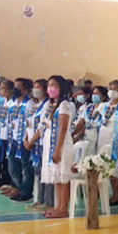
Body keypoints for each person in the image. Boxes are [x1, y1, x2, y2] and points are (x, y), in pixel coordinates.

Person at [40, 75, 75, 218]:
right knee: (56, 177)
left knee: (62, 176)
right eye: (49, 85)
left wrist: (58, 149)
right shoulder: (51, 105)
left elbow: (63, 128)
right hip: (50, 141)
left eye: (54, 85)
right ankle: (58, 206)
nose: (50, 88)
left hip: (60, 143)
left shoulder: (64, 105)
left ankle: (63, 208)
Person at [97, 80, 118, 205]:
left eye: (115, 89)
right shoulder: (103, 106)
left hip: (117, 141)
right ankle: (103, 193)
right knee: (103, 166)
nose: (111, 91)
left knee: (116, 169)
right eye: (110, 88)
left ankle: (116, 195)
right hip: (103, 139)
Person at [25, 79, 52, 211]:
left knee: (45, 172)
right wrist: (26, 139)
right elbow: (29, 124)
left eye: (38, 87)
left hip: (41, 143)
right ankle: (40, 199)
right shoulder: (36, 105)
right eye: (34, 87)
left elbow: (42, 127)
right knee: (39, 173)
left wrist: (32, 140)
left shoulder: (47, 105)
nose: (35, 90)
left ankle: (48, 201)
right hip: (33, 143)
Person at [7, 78, 35, 202]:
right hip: (13, 139)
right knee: (12, 167)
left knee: (26, 167)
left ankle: (26, 191)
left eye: (18, 88)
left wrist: (27, 138)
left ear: (25, 90)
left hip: (24, 139)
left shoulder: (30, 104)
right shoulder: (13, 103)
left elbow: (31, 123)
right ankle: (18, 188)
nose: (15, 90)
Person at [72, 86, 105, 156]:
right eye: (93, 93)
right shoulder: (88, 107)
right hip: (86, 136)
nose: (94, 96)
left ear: (103, 96)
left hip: (97, 135)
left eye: (97, 94)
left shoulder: (104, 108)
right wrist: (73, 134)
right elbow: (81, 123)